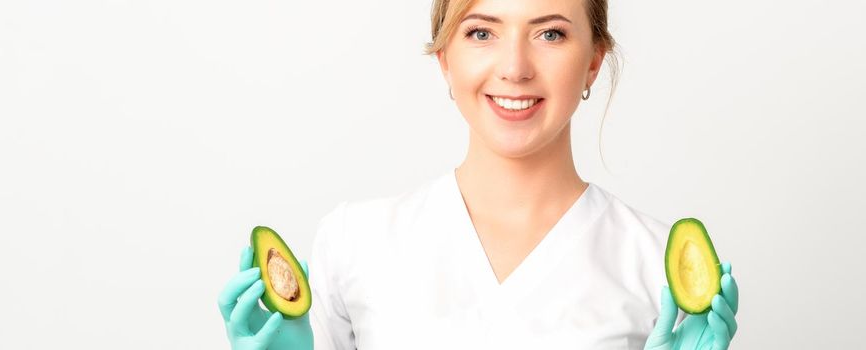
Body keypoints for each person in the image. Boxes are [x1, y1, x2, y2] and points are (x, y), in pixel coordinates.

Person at [218, 0, 740, 348]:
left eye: (551, 33)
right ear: (445, 57)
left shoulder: (654, 264)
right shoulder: (355, 242)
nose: (514, 67)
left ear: (593, 63)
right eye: (482, 32)